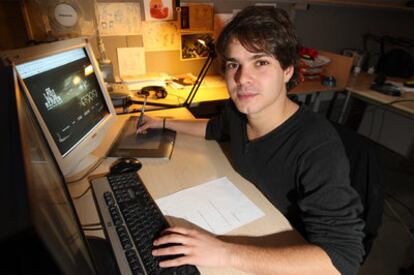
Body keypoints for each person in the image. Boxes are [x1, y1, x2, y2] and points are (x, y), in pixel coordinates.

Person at [137, 6, 365, 275]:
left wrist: (224, 252)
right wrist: (162, 122)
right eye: (234, 64)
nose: (242, 78)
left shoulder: (317, 147)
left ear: (288, 71)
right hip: (249, 215)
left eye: (261, 62)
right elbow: (213, 129)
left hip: (287, 253)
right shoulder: (238, 113)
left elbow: (342, 261)